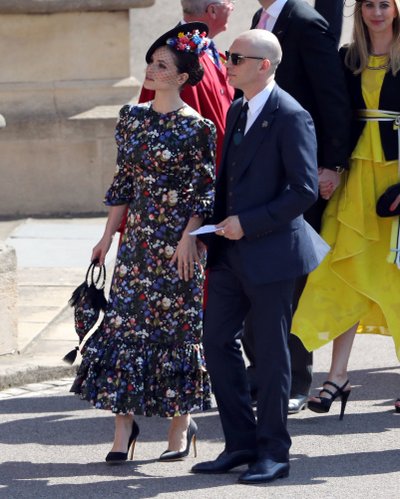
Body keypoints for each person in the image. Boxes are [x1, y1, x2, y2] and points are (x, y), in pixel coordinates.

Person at [71, 22, 216, 463]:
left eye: (161, 64)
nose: (151, 70)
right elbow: (124, 184)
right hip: (137, 245)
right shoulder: (131, 119)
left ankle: (180, 427)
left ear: (183, 77)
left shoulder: (199, 128)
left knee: (176, 333)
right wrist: (106, 236)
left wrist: (190, 237)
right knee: (126, 332)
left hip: (178, 246)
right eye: (151, 62)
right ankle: (122, 431)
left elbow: (204, 191)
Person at [191, 29, 329, 484]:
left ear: (263, 65)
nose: (226, 63)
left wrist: (248, 223)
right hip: (230, 254)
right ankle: (241, 443)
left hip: (272, 255)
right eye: (228, 56)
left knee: (270, 356)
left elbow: (304, 191)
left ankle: (274, 452)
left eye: (236, 57)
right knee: (215, 343)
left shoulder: (291, 115)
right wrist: (206, 228)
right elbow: (228, 180)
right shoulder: (236, 107)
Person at [292, 0, 400, 419]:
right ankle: (336, 376)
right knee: (343, 269)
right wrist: (330, 166)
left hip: (394, 176)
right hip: (355, 177)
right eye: (369, 4)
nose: (376, 12)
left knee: (394, 275)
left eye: (383, 4)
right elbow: (333, 114)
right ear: (360, 12)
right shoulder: (347, 58)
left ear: (394, 10)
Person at [242, 0, 351, 415]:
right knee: (259, 273)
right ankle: (261, 373)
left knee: (290, 277)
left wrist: (333, 164)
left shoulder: (306, 21)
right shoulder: (260, 21)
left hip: (300, 173)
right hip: (263, 171)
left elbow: (332, 95)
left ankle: (295, 378)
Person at [139, 0, 235, 170]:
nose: (232, 7)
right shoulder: (172, 56)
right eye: (228, 1)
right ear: (212, 10)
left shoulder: (214, 54)